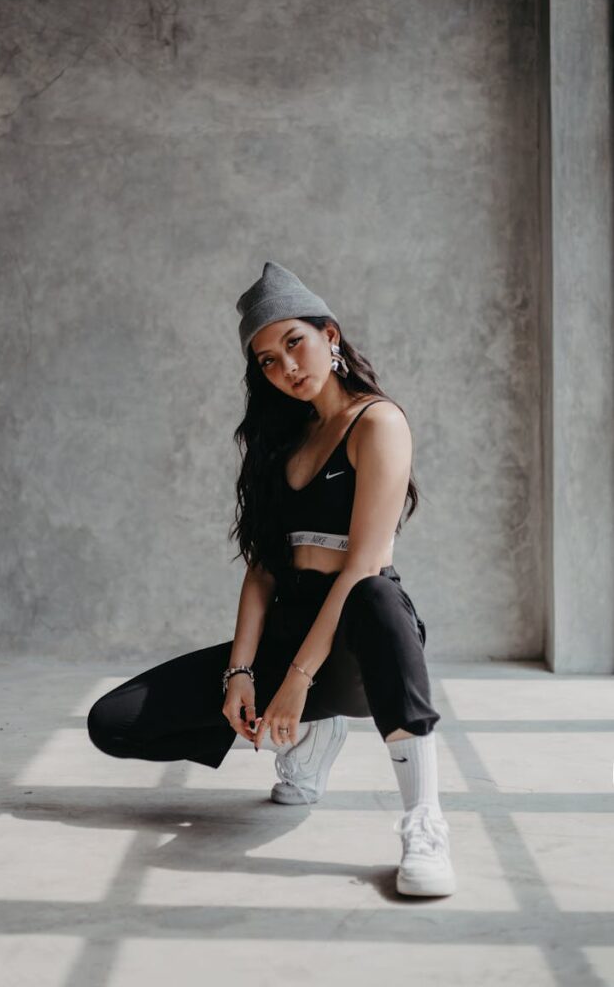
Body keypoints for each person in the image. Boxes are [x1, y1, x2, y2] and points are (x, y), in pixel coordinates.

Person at [87, 260, 456, 897]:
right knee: (112, 722)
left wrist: (295, 682)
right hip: (291, 632)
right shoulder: (281, 442)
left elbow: (363, 564)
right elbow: (261, 573)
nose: (286, 366)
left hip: (358, 642)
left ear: (330, 337)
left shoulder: (378, 423)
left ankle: (425, 819)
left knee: (372, 593)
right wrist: (241, 673)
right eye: (266, 360)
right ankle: (314, 735)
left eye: (295, 342)